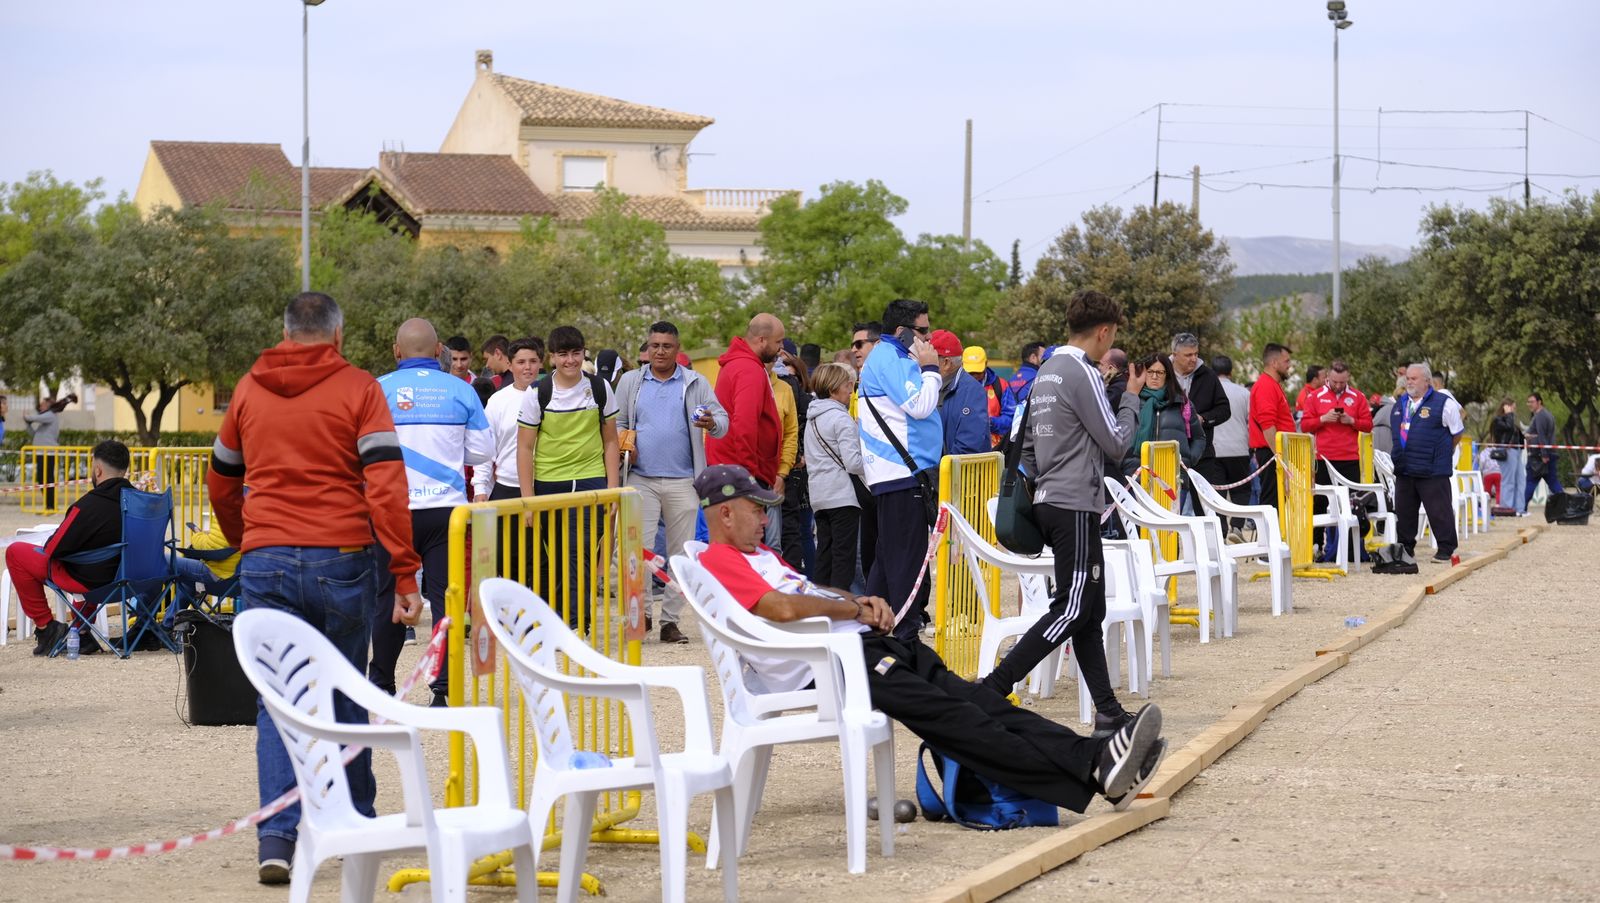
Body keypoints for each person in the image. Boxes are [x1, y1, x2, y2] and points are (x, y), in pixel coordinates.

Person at [692, 463, 1167, 814]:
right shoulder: (720, 560)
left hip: (859, 646)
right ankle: (1090, 770)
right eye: (756, 510)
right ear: (726, 514)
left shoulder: (758, 555)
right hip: (831, 662)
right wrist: (853, 610)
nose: (765, 520)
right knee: (954, 716)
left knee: (979, 701)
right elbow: (783, 608)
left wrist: (862, 600)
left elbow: (808, 591)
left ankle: (1097, 758)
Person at [207, 292, 423, 885]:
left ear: (284, 333)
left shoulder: (247, 389)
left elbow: (221, 479)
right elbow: (386, 486)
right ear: (337, 334)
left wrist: (247, 539)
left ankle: (277, 839)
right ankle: (356, 826)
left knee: (277, 699)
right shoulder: (360, 388)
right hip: (343, 558)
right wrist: (404, 571)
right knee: (347, 689)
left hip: (266, 559)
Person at [981, 289, 1145, 737]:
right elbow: (1116, 443)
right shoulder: (1083, 372)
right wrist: (1130, 398)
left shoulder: (1046, 372)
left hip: (1050, 500)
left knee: (1089, 612)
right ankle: (992, 688)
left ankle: (1108, 712)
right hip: (1075, 502)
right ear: (1104, 332)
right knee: (1072, 608)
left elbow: (1027, 448)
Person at [370, 318, 494, 705]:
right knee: (445, 599)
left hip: (394, 511)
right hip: (446, 514)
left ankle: (381, 684)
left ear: (396, 351)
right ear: (440, 350)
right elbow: (483, 452)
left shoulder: (377, 389)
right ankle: (443, 689)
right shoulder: (462, 389)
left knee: (388, 596)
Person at [614, 321, 728, 644]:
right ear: (647, 348)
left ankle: (670, 621)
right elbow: (617, 423)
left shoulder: (695, 382)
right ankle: (640, 616)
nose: (660, 351)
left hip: (684, 480)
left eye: (667, 346)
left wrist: (711, 423)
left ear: (677, 350)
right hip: (640, 479)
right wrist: (626, 444)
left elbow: (723, 422)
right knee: (636, 550)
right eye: (655, 346)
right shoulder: (631, 382)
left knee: (680, 554)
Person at [516, 325, 621, 628]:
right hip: (550, 482)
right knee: (559, 555)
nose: (570, 360)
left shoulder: (600, 388)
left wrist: (613, 490)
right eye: (563, 354)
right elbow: (524, 448)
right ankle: (564, 621)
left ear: (583, 353)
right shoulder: (538, 393)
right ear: (552, 357)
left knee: (581, 551)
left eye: (576, 353)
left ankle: (577, 623)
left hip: (591, 480)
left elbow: (611, 441)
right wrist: (527, 500)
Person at [857, 298, 941, 640]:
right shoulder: (891, 358)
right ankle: (906, 639)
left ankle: (866, 635)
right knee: (906, 564)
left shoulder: (888, 357)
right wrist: (931, 370)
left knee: (887, 561)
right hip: (901, 474)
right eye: (923, 330)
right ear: (903, 332)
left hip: (896, 474)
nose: (929, 338)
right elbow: (920, 405)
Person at [7, 439, 137, 656]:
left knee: (16, 552)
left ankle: (47, 628)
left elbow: (53, 549)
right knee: (98, 557)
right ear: (125, 469)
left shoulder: (87, 506)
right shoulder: (145, 502)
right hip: (134, 579)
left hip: (94, 582)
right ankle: (80, 630)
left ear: (97, 470)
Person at [706, 314, 786, 548]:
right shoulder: (748, 369)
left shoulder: (740, 364)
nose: (781, 348)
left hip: (734, 469)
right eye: (778, 342)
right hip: (742, 472)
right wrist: (748, 476)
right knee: (746, 545)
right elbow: (745, 424)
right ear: (762, 340)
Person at [1389, 363, 1465, 563]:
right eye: (1408, 378)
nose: (1409, 382)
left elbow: (1457, 432)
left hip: (1432, 469)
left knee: (1439, 510)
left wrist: (1443, 451)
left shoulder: (1443, 403)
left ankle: (1446, 548)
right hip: (1405, 467)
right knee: (1404, 511)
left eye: (1414, 378)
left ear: (1427, 381)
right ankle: (1406, 549)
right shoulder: (1400, 404)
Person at [1300, 360, 1373, 562]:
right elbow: (1305, 426)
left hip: (1350, 459)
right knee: (1320, 502)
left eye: (1342, 382)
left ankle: (1351, 548)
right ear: (1327, 378)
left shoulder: (1358, 397)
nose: (1338, 385)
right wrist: (1323, 419)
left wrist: (1352, 421)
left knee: (1352, 504)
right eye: (1334, 381)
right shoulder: (1315, 396)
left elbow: (1368, 425)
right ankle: (1317, 545)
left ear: (1348, 378)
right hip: (1323, 459)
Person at [805, 362, 866, 590]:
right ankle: (841, 603)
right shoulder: (841, 419)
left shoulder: (812, 417)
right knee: (843, 558)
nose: (851, 390)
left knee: (824, 554)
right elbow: (853, 463)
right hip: (842, 495)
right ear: (833, 389)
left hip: (818, 495)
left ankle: (821, 602)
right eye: (846, 385)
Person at [473, 337, 544, 501]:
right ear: (510, 365)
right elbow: (486, 447)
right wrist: (480, 487)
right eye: (521, 362)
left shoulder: (553, 396)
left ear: (540, 363)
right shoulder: (497, 401)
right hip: (507, 487)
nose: (527, 367)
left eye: (533, 361)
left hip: (544, 485)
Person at [1121, 352, 1204, 476]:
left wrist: (1188, 460)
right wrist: (1126, 464)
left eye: (1160, 372)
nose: (1154, 376)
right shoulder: (1132, 402)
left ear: (1168, 375)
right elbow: (1119, 437)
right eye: (1150, 372)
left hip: (1174, 476)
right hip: (1137, 476)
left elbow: (1199, 438)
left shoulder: (1181, 402)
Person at [1170, 333, 1231, 500]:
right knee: (1169, 505)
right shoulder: (1161, 374)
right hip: (1168, 452)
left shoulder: (1208, 376)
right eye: (1188, 355)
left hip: (1202, 454)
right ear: (1175, 355)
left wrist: (1203, 419)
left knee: (1204, 506)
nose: (1193, 359)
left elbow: (1224, 410)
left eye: (1196, 354)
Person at [773, 339, 812, 572]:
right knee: (791, 530)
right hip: (787, 468)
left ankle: (797, 579)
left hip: (794, 472)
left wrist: (799, 456)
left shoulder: (798, 396)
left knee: (797, 530)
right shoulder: (776, 387)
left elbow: (794, 430)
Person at [1209, 355, 1254, 539]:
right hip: (1239, 448)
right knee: (1241, 490)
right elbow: (1250, 421)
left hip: (1215, 448)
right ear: (1231, 371)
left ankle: (1220, 532)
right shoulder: (1244, 393)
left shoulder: (1209, 392)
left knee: (1217, 493)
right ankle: (1237, 526)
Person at [1248, 343, 1295, 512]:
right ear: (1274, 363)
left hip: (1276, 451)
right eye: (1286, 361)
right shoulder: (1266, 386)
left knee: (1279, 500)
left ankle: (1277, 529)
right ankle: (1270, 530)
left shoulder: (1272, 384)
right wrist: (1280, 457)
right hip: (1272, 452)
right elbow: (1267, 425)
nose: (1289, 365)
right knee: (1272, 501)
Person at [931, 329, 991, 456]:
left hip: (955, 467)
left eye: (929, 358)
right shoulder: (932, 385)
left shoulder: (973, 391)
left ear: (946, 363)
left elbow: (969, 445)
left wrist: (941, 466)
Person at [23, 394, 71, 510]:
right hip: (41, 452)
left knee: (47, 479)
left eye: (43, 404)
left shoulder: (50, 415)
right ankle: (48, 505)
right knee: (42, 479)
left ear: (49, 406)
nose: (41, 406)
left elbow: (33, 418)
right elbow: (34, 434)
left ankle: (51, 505)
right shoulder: (45, 420)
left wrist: (26, 416)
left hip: (48, 452)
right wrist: (27, 424)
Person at [961, 345, 1012, 449]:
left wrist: (990, 423)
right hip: (964, 448)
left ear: (986, 364)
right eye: (970, 372)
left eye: (978, 372)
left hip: (994, 449)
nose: (974, 376)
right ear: (962, 365)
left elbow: (1011, 419)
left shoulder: (1001, 385)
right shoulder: (955, 387)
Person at [1524, 392, 1563, 504]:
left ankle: (1521, 508)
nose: (1529, 404)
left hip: (1540, 457)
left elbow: (1542, 435)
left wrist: (1544, 454)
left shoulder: (1540, 416)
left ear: (1539, 402)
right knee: (1553, 482)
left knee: (1530, 482)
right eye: (1528, 402)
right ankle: (1565, 505)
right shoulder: (1547, 414)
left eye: (1532, 402)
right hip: (1547, 454)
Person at [1490, 397, 1526, 514]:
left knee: (1520, 480)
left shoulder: (1510, 420)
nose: (1513, 410)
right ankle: (1506, 507)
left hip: (1516, 451)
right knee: (1508, 480)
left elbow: (1514, 432)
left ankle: (1519, 508)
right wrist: (1509, 414)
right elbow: (1508, 428)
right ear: (1505, 407)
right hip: (1507, 451)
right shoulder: (1498, 420)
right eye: (1512, 407)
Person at [1002, 342, 1047, 413]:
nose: (1046, 360)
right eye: (1043, 357)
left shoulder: (1010, 380)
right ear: (1033, 357)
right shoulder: (1039, 379)